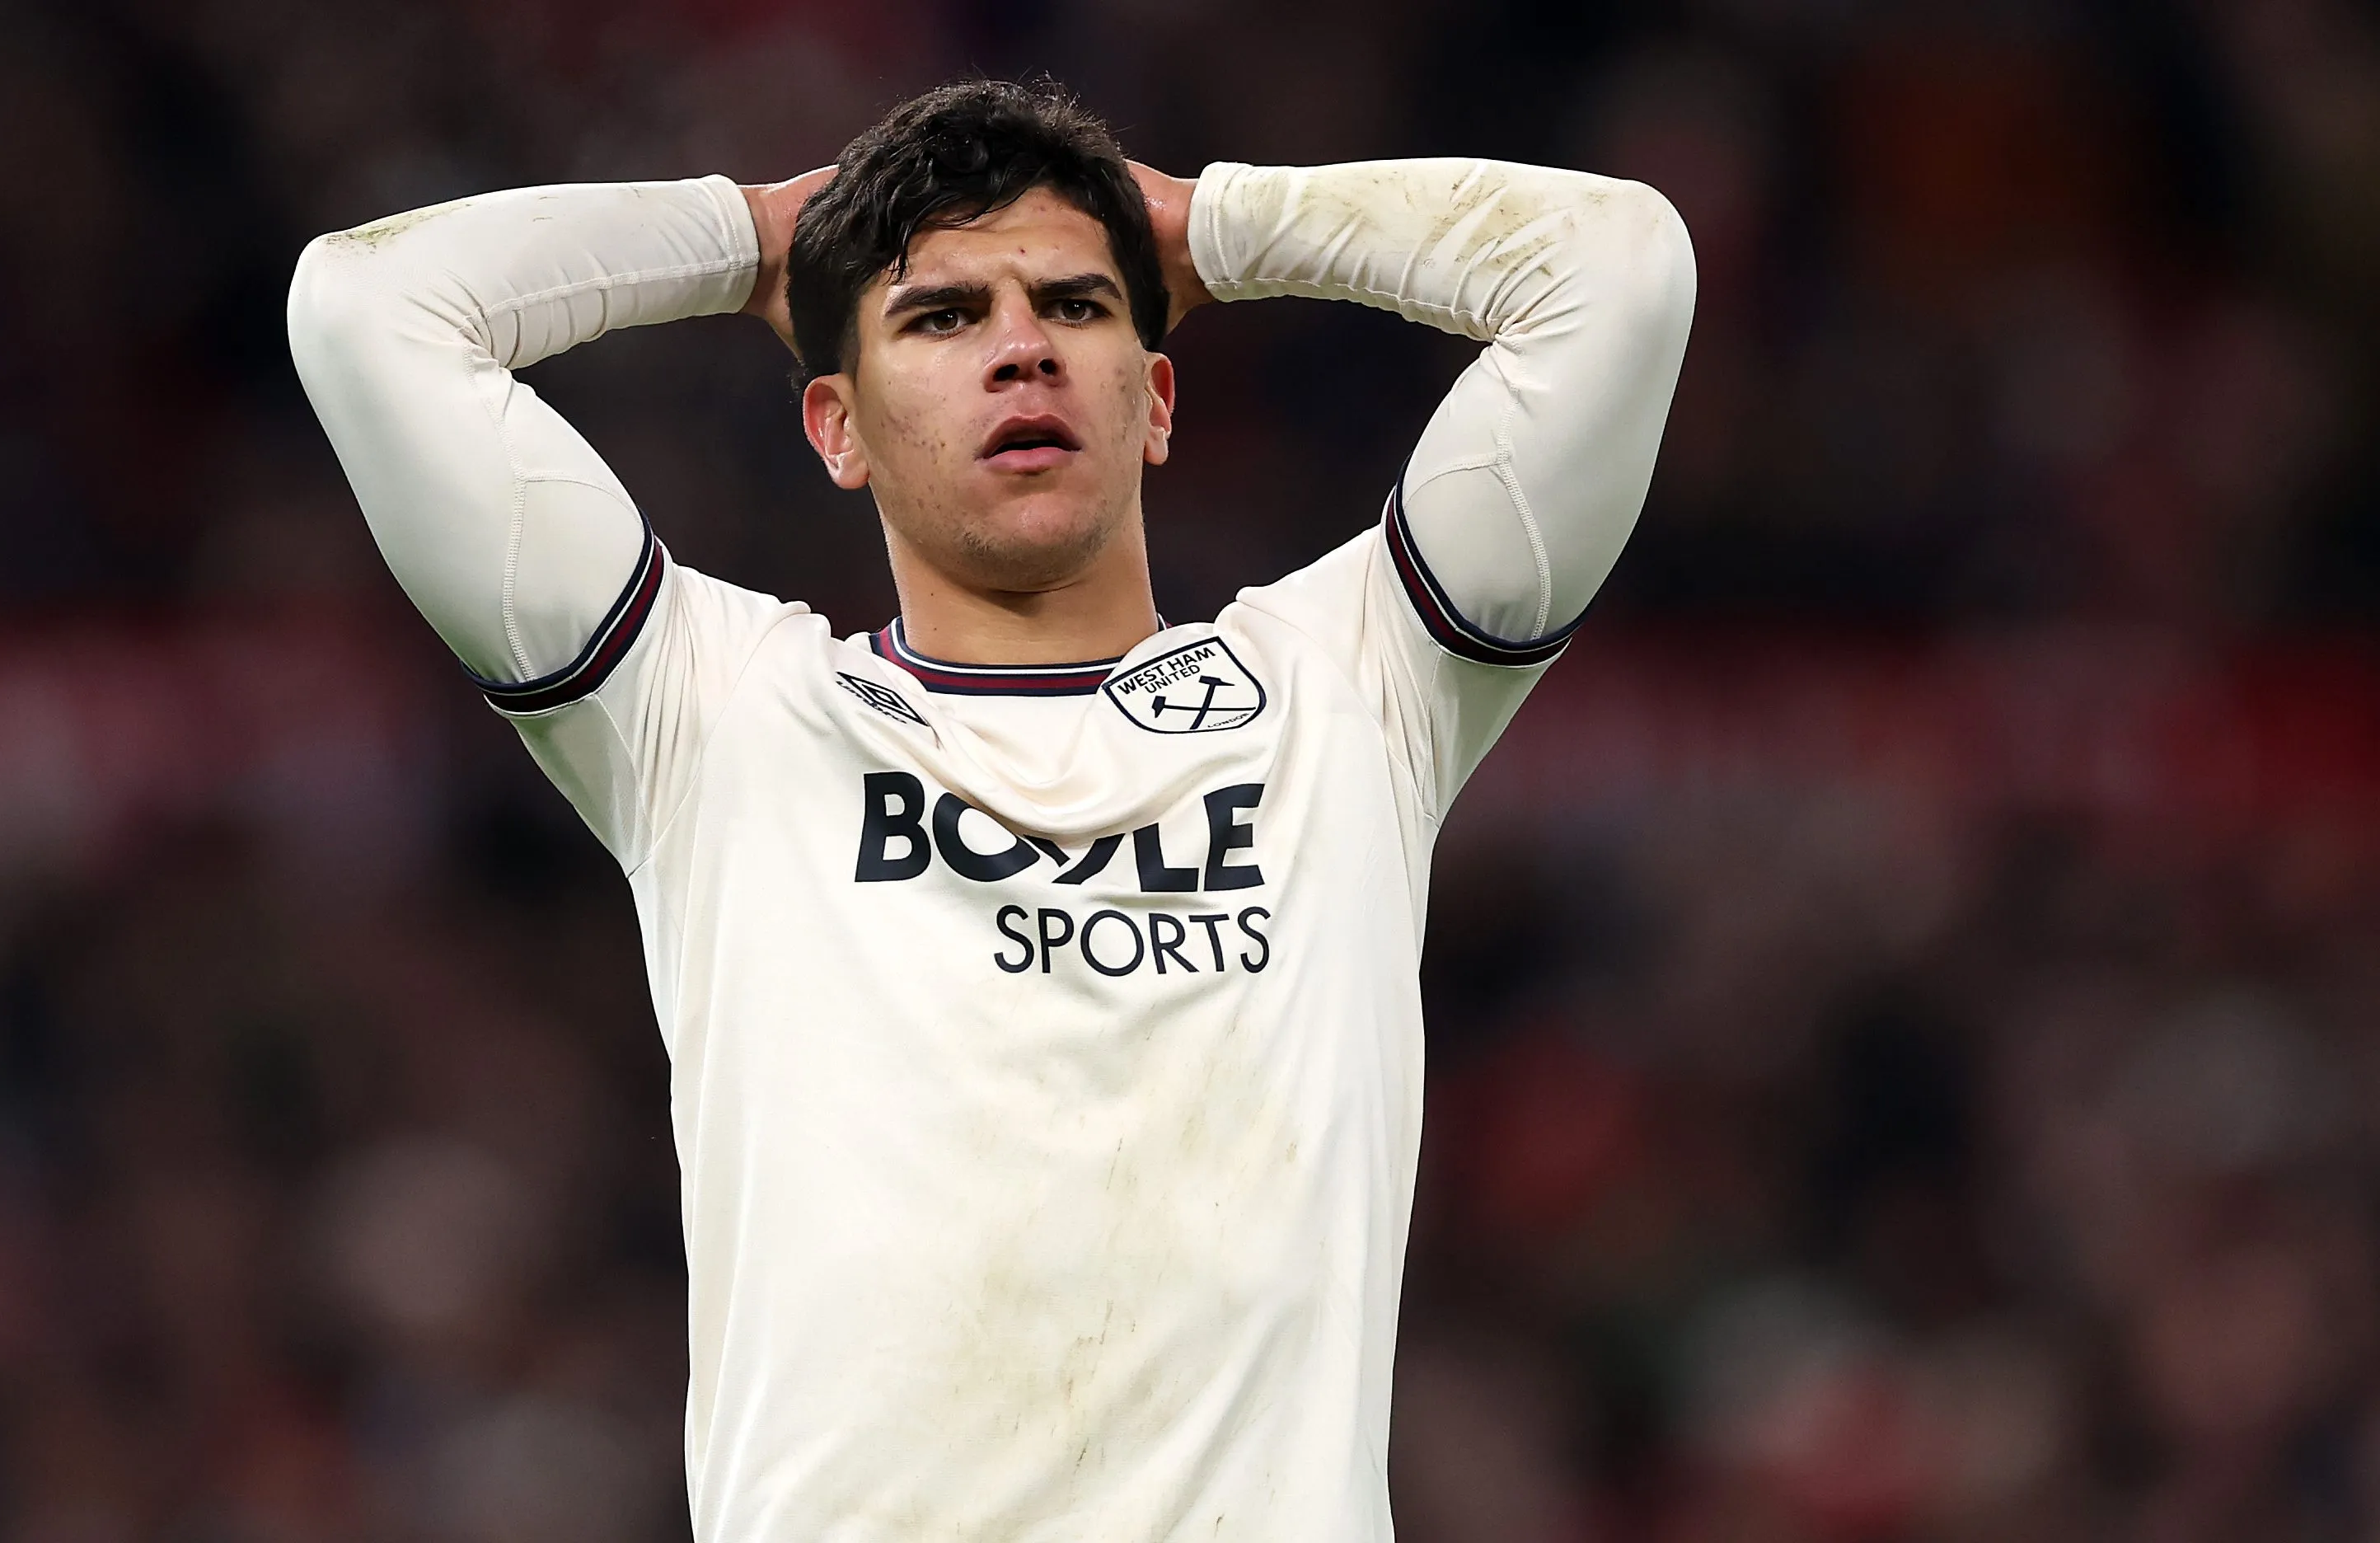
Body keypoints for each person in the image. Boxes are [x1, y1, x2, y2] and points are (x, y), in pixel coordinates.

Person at [288, 78, 1692, 1541]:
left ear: (1155, 399)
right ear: (836, 426)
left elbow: (1622, 270)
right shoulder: (719, 718)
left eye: (1078, 307)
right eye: (941, 318)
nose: (1021, 347)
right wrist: (755, 233)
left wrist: (1219, 223)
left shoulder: (1348, 692)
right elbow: (364, 310)